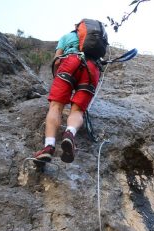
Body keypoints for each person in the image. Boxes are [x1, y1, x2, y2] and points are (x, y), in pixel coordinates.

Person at [34, 23, 100, 163]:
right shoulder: (96, 42)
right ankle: (70, 133)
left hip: (70, 62)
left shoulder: (66, 37)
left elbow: (57, 61)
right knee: (78, 111)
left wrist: (57, 78)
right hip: (92, 68)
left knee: (56, 107)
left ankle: (49, 147)